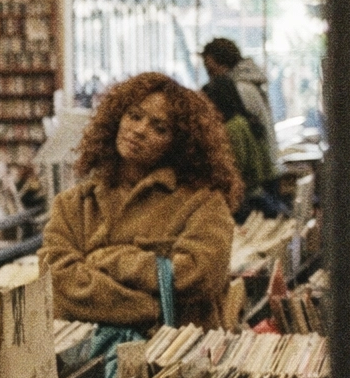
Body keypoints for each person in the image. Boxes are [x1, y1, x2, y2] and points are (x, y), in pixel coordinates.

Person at [40, 72, 239, 330]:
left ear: (179, 144)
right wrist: (147, 308)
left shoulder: (203, 202)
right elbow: (55, 281)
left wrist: (113, 260)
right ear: (116, 119)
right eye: (134, 116)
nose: (139, 130)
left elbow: (200, 275)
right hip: (86, 358)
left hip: (168, 357)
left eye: (159, 128)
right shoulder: (74, 204)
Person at [202, 75, 282, 221]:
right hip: (259, 194)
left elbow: (235, 167)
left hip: (250, 200)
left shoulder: (232, 127)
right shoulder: (242, 120)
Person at [201, 37, 282, 173]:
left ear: (224, 65)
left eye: (211, 71)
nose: (211, 79)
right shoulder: (249, 84)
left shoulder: (241, 90)